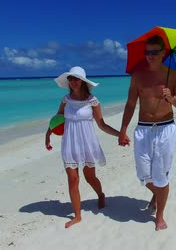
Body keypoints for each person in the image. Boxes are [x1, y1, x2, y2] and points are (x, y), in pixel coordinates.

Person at [118, 35, 176, 231]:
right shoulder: (137, 76)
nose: (149, 56)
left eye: (154, 52)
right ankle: (158, 194)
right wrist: (122, 130)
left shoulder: (174, 77)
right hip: (143, 129)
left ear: (163, 53)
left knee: (161, 176)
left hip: (166, 129)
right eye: (147, 52)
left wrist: (172, 99)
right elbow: (131, 104)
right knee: (143, 175)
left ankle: (159, 216)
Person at [45, 66, 120, 229]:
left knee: (89, 177)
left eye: (76, 79)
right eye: (70, 79)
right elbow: (57, 119)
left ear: (83, 81)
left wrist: (119, 134)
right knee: (73, 179)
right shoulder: (66, 100)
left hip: (87, 142)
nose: (72, 82)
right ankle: (77, 215)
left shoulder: (92, 101)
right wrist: (48, 135)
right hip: (69, 142)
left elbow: (101, 124)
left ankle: (100, 194)